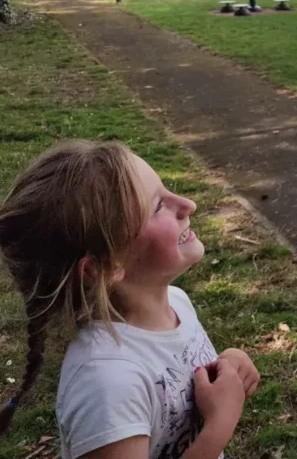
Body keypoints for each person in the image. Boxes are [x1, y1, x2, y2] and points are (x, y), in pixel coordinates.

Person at [0, 141, 260, 459]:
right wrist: (219, 425)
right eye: (157, 207)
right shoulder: (106, 384)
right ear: (103, 267)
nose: (188, 204)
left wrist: (225, 365)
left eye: (167, 190)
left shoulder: (176, 303)